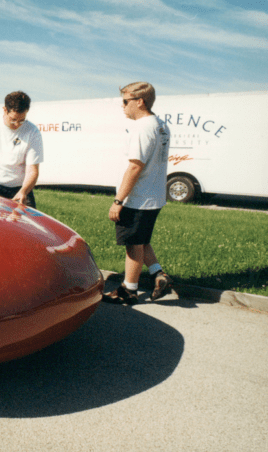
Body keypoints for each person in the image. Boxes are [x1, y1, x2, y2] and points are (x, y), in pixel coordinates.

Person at [103, 81, 172, 305]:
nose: (122, 106)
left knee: (133, 245)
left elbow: (135, 166)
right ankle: (158, 274)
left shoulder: (143, 127)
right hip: (154, 195)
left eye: (125, 101)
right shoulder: (160, 124)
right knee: (141, 239)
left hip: (138, 197)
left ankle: (128, 290)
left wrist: (118, 200)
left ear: (140, 102)